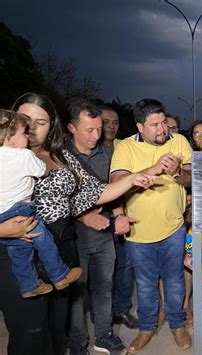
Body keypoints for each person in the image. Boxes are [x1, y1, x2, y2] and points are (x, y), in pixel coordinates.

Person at [0, 92, 153, 355]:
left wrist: (134, 178)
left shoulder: (60, 154)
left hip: (62, 250)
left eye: (42, 121)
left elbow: (95, 191)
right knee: (30, 337)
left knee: (59, 332)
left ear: (52, 126)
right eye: (27, 120)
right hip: (19, 254)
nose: (34, 127)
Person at [110, 98, 193, 353]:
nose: (162, 130)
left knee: (175, 281)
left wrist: (178, 171)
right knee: (145, 285)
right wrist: (154, 169)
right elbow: (117, 181)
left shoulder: (179, 141)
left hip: (174, 229)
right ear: (139, 126)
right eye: (154, 125)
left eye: (163, 123)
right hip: (138, 232)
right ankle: (147, 329)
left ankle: (177, 325)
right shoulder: (125, 147)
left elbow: (192, 179)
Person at [66, 99, 136, 354]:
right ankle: (77, 342)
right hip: (73, 238)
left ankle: (104, 335)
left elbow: (114, 191)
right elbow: (56, 201)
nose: (97, 135)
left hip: (104, 234)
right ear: (71, 127)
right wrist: (82, 217)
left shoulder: (107, 153)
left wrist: (119, 216)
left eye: (99, 129)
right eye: (89, 130)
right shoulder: (60, 156)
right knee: (77, 293)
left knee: (105, 287)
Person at [0, 110, 82, 298]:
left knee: (19, 251)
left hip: (2, 214)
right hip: (22, 210)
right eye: (23, 133)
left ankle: (29, 285)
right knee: (44, 241)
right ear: (10, 139)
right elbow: (42, 172)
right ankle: (60, 274)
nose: (28, 138)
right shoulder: (24, 155)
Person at [98, 104, 138, 329]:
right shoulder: (88, 150)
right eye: (105, 122)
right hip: (97, 217)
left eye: (114, 122)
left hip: (123, 214)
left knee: (125, 265)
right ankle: (100, 314)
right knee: (101, 271)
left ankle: (121, 310)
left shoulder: (124, 146)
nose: (110, 126)